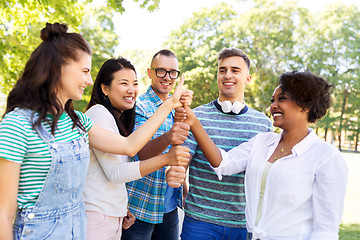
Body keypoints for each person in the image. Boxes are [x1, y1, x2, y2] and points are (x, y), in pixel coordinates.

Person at [0, 22, 191, 240]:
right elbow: (3, 214)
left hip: (78, 229)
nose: (89, 80)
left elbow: (129, 146)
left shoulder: (79, 121)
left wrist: (169, 104)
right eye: (85, 71)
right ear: (58, 68)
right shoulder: (16, 124)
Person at [176, 71, 348, 239]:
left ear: (305, 105)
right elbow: (223, 163)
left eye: (282, 99)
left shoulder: (327, 157)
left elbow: (326, 231)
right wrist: (194, 122)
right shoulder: (262, 142)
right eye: (273, 100)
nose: (273, 106)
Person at [167, 48, 272, 240]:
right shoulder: (197, 116)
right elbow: (182, 158)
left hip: (242, 224)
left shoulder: (263, 123)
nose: (227, 75)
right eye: (222, 70)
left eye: (235, 70)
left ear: (248, 78)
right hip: (200, 221)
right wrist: (177, 169)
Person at [83, 57, 192, 240]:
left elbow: (109, 173)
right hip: (98, 218)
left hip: (113, 216)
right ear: (105, 88)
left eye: (134, 83)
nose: (131, 90)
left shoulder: (117, 119)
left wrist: (121, 206)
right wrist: (166, 158)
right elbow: (120, 168)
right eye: (123, 83)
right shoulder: (98, 114)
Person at [122, 49, 190, 240]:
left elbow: (179, 152)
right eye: (161, 71)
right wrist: (169, 136)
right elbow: (141, 153)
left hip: (169, 207)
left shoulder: (177, 107)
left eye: (172, 72)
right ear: (150, 72)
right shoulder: (139, 106)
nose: (167, 77)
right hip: (140, 206)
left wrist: (184, 188)